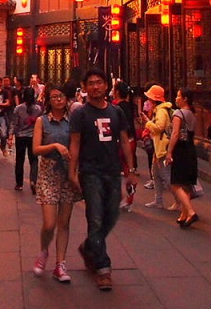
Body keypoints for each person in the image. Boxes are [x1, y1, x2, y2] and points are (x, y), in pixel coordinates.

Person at [69, 67, 139, 292]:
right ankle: (103, 267)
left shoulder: (116, 112)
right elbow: (75, 143)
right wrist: (72, 172)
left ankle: (89, 246)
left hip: (112, 170)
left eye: (99, 82)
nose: (96, 86)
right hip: (90, 172)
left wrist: (131, 170)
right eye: (91, 83)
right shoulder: (80, 113)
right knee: (96, 218)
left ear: (107, 86)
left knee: (111, 214)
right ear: (85, 87)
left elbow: (125, 140)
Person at [32, 84, 83, 283]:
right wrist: (54, 145)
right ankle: (44, 251)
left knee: (64, 223)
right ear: (48, 100)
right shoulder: (42, 121)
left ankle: (60, 264)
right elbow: (36, 149)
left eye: (61, 96)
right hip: (48, 173)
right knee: (49, 223)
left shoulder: (73, 122)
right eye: (54, 97)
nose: (59, 100)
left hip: (68, 174)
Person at [166, 88, 199, 227]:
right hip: (190, 149)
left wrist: (169, 152)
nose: (176, 98)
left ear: (185, 99)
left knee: (175, 184)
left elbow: (175, 134)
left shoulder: (178, 113)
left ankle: (191, 212)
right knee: (185, 184)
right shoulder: (192, 114)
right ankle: (184, 214)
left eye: (178, 96)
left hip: (180, 150)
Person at [143, 84, 174, 210]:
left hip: (162, 147)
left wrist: (148, 123)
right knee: (155, 174)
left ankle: (181, 200)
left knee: (166, 176)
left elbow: (159, 127)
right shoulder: (160, 110)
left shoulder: (161, 111)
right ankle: (158, 200)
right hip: (159, 147)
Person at [112, 81, 138, 211]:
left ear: (116, 92)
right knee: (129, 169)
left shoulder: (116, 107)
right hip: (131, 139)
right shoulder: (130, 106)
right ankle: (129, 199)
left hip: (121, 141)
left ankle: (121, 198)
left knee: (116, 169)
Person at [10, 86, 42, 192]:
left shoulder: (19, 108)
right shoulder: (38, 109)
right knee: (34, 160)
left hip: (20, 136)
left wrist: (10, 136)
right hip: (33, 136)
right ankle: (33, 180)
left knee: (20, 159)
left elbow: (14, 123)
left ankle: (19, 184)